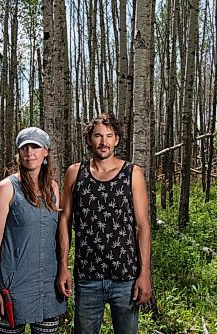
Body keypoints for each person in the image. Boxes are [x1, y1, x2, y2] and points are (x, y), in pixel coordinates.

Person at [57, 113, 152, 334]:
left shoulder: (132, 173)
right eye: (98, 136)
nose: (104, 142)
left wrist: (144, 274)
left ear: (117, 140)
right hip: (87, 276)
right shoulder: (75, 172)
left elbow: (142, 226)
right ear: (89, 139)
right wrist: (63, 267)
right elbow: (64, 221)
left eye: (109, 136)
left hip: (125, 277)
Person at [0, 127, 67, 334]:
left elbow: (58, 236)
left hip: (48, 287)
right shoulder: (6, 188)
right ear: (19, 153)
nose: (29, 152)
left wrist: (64, 268)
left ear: (46, 152)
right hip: (13, 289)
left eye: (35, 147)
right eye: (24, 148)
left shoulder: (54, 188)